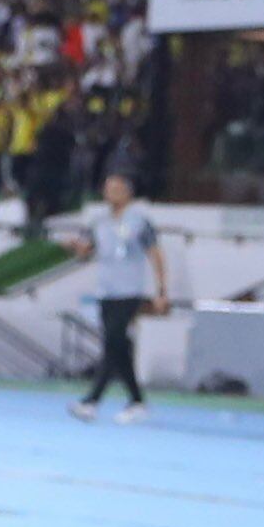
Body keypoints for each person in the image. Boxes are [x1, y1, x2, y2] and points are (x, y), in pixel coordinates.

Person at [67, 168, 166, 420]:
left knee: (113, 341)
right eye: (108, 189)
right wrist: (77, 248)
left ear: (128, 193)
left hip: (129, 291)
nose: (111, 193)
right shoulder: (99, 222)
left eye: (117, 189)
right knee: (117, 345)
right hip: (106, 291)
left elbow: (155, 254)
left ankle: (92, 401)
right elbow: (88, 251)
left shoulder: (139, 221)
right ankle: (137, 400)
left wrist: (161, 290)